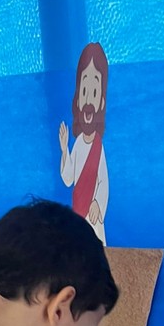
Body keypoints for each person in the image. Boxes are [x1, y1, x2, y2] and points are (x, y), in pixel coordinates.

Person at [59, 42, 110, 244]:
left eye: (94, 92)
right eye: (84, 92)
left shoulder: (98, 147)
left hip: (94, 219)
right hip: (78, 215)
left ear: (101, 103)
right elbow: (68, 179)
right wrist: (64, 149)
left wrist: (97, 202)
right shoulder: (79, 142)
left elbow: (103, 181)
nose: (88, 99)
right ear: (78, 100)